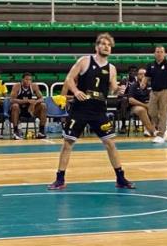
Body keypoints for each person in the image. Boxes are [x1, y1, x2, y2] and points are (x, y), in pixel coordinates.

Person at [48, 33, 136, 190]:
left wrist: (119, 89)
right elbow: (69, 78)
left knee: (110, 143)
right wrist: (75, 91)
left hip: (99, 109)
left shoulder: (112, 68)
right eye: (103, 44)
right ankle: (60, 179)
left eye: (109, 44)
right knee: (68, 142)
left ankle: (120, 178)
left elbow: (113, 89)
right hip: (80, 108)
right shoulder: (85, 61)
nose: (106, 46)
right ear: (97, 47)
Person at [127, 68, 164, 143]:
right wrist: (144, 105)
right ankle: (152, 131)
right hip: (136, 106)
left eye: (144, 74)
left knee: (157, 109)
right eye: (140, 74)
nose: (143, 76)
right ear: (137, 76)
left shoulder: (151, 85)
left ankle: (151, 129)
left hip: (149, 105)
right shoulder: (134, 85)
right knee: (142, 110)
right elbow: (131, 100)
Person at [146, 46, 167, 141]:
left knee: (163, 113)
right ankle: (164, 127)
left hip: (165, 91)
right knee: (151, 111)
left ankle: (161, 135)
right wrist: (143, 83)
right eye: (157, 52)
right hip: (153, 91)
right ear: (154, 53)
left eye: (161, 52)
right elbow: (147, 77)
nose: (159, 53)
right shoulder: (150, 64)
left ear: (164, 53)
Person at [8, 72, 48, 139]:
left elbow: (41, 98)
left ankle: (41, 131)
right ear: (22, 80)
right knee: (15, 106)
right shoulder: (17, 86)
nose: (28, 81)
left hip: (30, 109)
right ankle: (15, 131)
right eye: (26, 79)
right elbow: (12, 100)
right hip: (19, 110)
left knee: (43, 105)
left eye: (30, 80)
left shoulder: (34, 86)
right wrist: (26, 101)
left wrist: (35, 102)